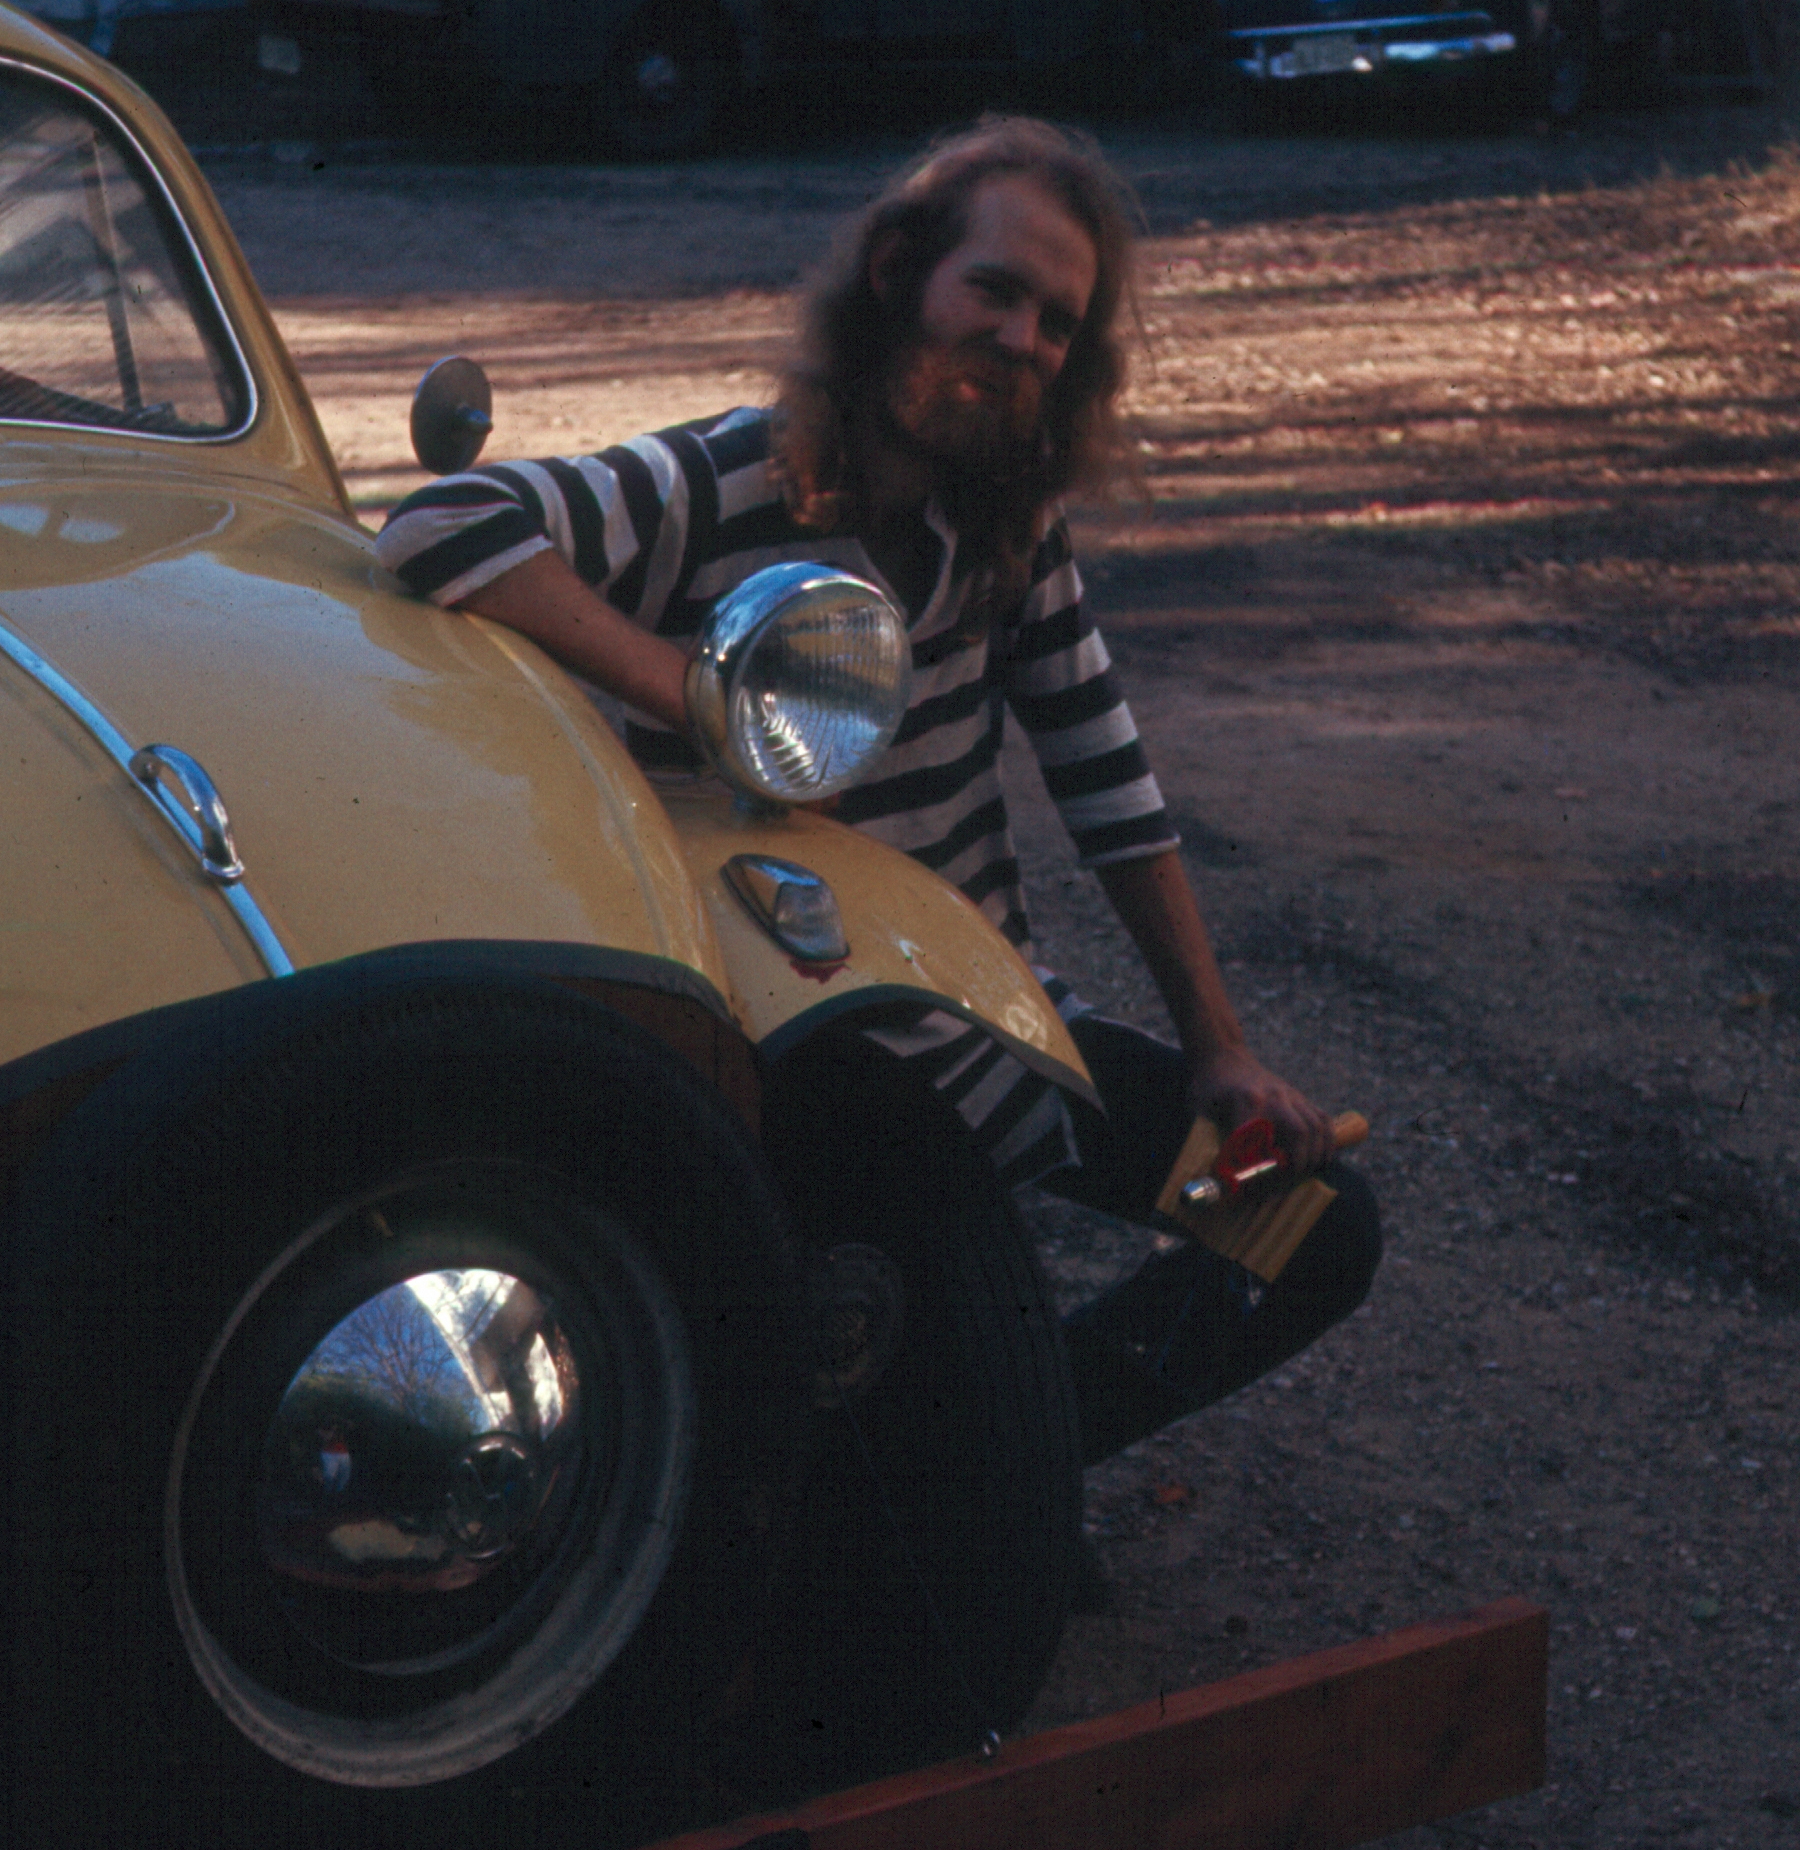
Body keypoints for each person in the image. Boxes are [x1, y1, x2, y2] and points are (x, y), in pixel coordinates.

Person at [373, 115, 1378, 1466]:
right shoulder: (724, 482)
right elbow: (442, 523)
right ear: (900, 273)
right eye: (995, 291)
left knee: (1315, 1230)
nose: (1021, 341)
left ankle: (1004, 1458)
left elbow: (1109, 785)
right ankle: (961, 1471)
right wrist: (712, 699)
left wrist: (1221, 1049)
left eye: (1058, 323)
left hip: (990, 1038)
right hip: (791, 1065)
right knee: (910, 1354)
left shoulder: (1009, 524)